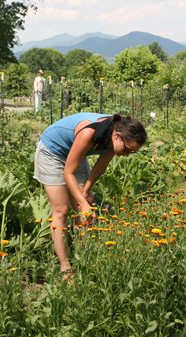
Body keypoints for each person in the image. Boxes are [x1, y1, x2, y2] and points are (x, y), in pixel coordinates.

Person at [34, 112, 147, 274]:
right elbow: (68, 173)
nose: (127, 154)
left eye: (132, 152)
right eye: (128, 149)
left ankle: (84, 259)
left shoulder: (115, 136)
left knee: (84, 205)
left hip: (75, 152)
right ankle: (65, 268)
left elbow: (100, 167)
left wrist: (85, 193)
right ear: (117, 137)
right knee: (61, 210)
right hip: (52, 152)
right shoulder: (89, 133)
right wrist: (82, 201)